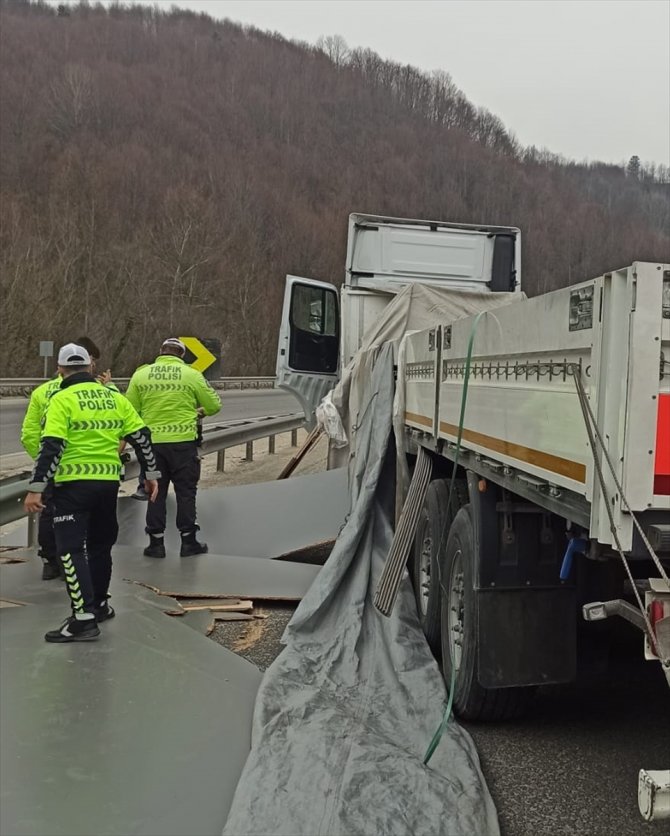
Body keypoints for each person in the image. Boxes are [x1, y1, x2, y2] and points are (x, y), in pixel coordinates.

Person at [23, 343, 161, 643]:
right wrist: (151, 475)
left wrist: (37, 487)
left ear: (60, 370)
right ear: (90, 367)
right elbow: (142, 437)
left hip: (73, 486)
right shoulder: (113, 396)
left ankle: (82, 619)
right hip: (108, 483)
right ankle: (99, 605)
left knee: (70, 551)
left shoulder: (61, 398)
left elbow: (52, 446)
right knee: (100, 545)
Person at [125, 337, 221, 558]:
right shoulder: (192, 375)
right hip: (183, 444)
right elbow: (214, 405)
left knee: (155, 492)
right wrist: (199, 412)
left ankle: (155, 544)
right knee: (186, 493)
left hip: (152, 447)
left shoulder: (141, 375)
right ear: (182, 355)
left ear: (161, 352)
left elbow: (129, 411)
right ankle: (189, 542)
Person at [20, 374, 63, 579]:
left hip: (50, 467)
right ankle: (71, 563)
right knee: (78, 516)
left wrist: (42, 463)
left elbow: (29, 434)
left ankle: (49, 562)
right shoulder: (94, 390)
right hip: (81, 469)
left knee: (47, 513)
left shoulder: (41, 392)